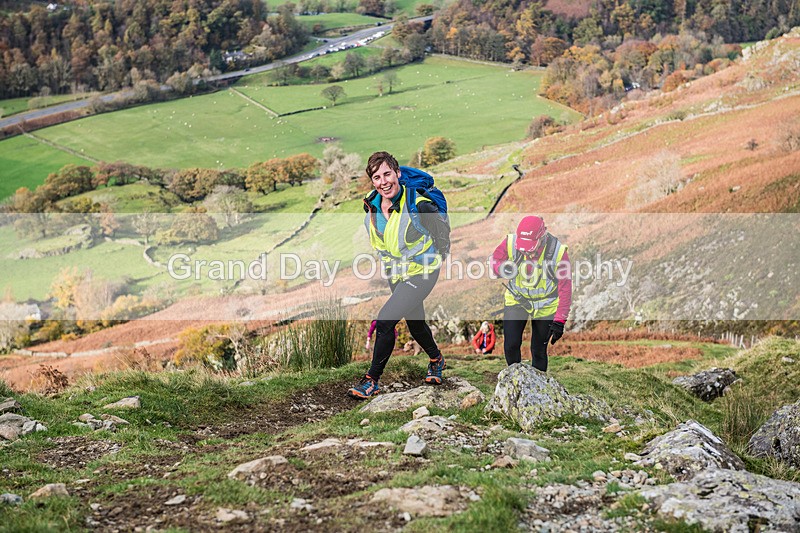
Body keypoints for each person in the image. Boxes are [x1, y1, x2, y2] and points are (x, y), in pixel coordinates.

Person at [348, 151, 451, 399]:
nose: (384, 181)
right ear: (372, 182)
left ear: (398, 174)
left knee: (385, 321)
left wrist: (436, 258)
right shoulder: (371, 208)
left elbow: (442, 233)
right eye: (377, 177)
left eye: (387, 174)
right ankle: (437, 359)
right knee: (415, 323)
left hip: (423, 272)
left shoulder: (419, 205)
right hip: (397, 274)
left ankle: (371, 380)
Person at [490, 215, 571, 371]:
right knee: (511, 345)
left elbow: (565, 288)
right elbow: (494, 261)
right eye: (524, 250)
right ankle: (515, 381)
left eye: (531, 250)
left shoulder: (558, 253)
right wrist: (502, 268)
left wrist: (560, 321)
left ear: (542, 237)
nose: (528, 254)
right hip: (517, 300)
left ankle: (538, 390)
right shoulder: (510, 243)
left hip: (545, 306)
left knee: (538, 351)